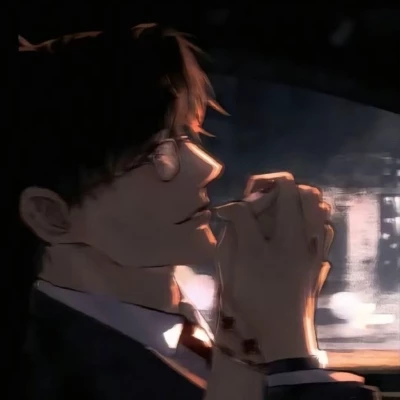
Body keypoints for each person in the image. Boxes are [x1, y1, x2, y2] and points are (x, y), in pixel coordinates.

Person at [11, 24, 381, 400]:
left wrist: (247, 327)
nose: (209, 167)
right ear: (50, 215)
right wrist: (288, 344)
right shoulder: (55, 374)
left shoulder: (165, 334)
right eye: (159, 156)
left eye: (187, 136)